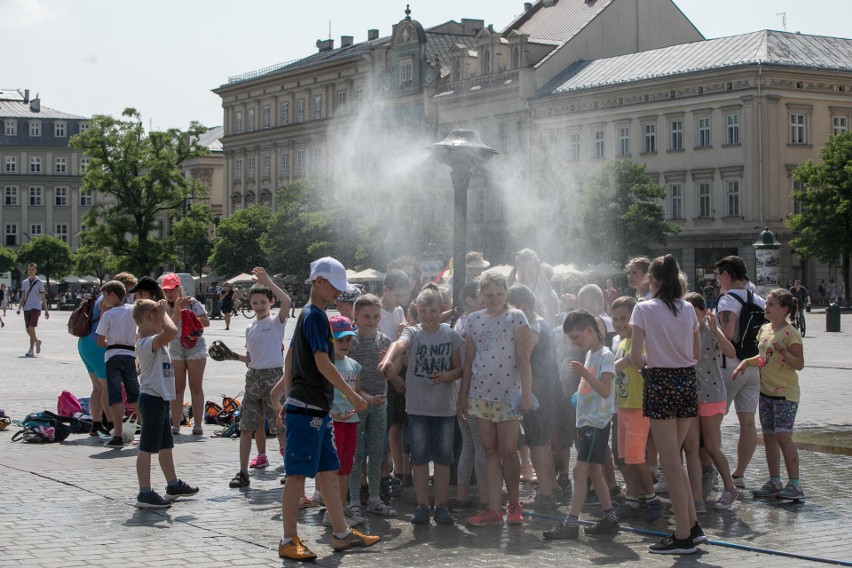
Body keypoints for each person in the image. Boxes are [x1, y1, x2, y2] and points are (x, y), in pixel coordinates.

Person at [271, 257, 378, 561]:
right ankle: (288, 539)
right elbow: (321, 361)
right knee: (296, 476)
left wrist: (284, 397)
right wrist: (352, 394)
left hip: (315, 409)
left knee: (329, 472)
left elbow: (291, 357)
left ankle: (342, 533)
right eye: (334, 286)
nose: (339, 293)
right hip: (308, 410)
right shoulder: (315, 316)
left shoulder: (308, 314)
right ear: (318, 281)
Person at [630, 255, 704, 555]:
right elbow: (696, 353)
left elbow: (636, 356)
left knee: (670, 462)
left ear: (653, 279)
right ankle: (693, 525)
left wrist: (648, 365)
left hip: (660, 381)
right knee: (676, 461)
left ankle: (683, 534)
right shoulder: (688, 308)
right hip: (687, 382)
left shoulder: (643, 308)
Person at [380, 284, 463, 525]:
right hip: (417, 408)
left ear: (442, 310)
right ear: (417, 310)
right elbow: (399, 345)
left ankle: (442, 505)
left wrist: (447, 376)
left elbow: (459, 368)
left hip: (444, 409)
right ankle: (422, 505)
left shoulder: (451, 335)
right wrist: (388, 359)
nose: (428, 316)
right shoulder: (413, 332)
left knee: (443, 459)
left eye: (433, 311)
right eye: (424, 311)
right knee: (418, 459)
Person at [459, 271, 533, 527]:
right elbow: (468, 361)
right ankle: (493, 507)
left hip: (508, 395)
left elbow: (524, 358)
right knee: (489, 451)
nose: (494, 299)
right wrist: (463, 397)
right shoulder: (473, 320)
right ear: (480, 295)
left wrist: (526, 393)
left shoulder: (516, 317)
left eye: (499, 294)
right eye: (489, 294)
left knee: (509, 451)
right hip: (480, 394)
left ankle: (514, 504)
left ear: (506, 293)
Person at [543, 310, 619, 540]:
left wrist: (585, 374)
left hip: (596, 423)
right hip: (586, 421)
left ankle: (571, 522)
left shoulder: (605, 355)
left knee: (579, 471)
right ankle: (610, 518)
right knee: (595, 471)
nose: (575, 343)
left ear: (589, 330)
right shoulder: (590, 353)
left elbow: (605, 390)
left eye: (577, 338)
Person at [734, 288, 806, 500]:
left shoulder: (790, 333)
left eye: (771, 304)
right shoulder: (764, 329)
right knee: (769, 437)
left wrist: (784, 352)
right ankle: (775, 480)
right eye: (766, 303)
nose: (766, 307)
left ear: (784, 309)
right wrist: (746, 363)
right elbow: (763, 358)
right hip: (766, 392)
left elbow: (799, 364)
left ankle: (795, 485)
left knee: (783, 436)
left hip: (786, 393)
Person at [132, 298, 199, 509]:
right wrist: (164, 314)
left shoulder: (154, 340)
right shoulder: (145, 343)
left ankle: (173, 485)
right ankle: (144, 493)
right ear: (149, 317)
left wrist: (172, 311)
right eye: (159, 316)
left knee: (165, 445)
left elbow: (170, 328)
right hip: (151, 398)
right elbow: (171, 331)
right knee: (146, 447)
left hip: (160, 398)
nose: (163, 320)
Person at [228, 267, 291, 488]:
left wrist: (268, 281)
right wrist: (232, 356)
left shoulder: (276, 322)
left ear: (270, 302)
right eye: (255, 303)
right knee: (246, 427)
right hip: (253, 379)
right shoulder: (250, 327)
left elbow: (288, 302)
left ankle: (291, 471)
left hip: (274, 379)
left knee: (280, 425)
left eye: (263, 302)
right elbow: (251, 358)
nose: (259, 306)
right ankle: (243, 472)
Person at [682, 292, 739, 510]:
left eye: (694, 314)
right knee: (691, 448)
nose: (689, 318)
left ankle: (730, 488)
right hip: (689, 396)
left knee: (713, 447)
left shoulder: (709, 332)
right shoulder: (682, 332)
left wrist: (716, 331)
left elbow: (731, 351)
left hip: (712, 395)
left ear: (704, 313)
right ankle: (697, 499)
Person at [507, 284, 560, 512]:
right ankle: (552, 487)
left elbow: (524, 356)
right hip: (543, 390)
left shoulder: (533, 326)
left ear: (523, 307)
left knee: (538, 442)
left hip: (536, 391)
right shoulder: (540, 322)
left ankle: (546, 494)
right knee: (540, 442)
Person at [609, 296, 662, 523]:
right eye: (615, 319)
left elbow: (627, 363)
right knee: (626, 458)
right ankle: (632, 498)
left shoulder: (641, 340)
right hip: (623, 406)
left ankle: (651, 499)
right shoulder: (620, 343)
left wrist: (599, 373)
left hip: (639, 405)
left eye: (624, 318)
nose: (619, 323)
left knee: (635, 457)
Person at [715, 255, 765, 488]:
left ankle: (711, 471)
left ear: (726, 275)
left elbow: (727, 334)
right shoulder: (759, 300)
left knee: (713, 420)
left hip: (730, 366)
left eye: (718, 276)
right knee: (747, 421)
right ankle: (739, 474)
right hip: (754, 365)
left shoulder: (727, 301)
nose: (717, 281)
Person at [347, 293, 397, 519]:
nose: (371, 320)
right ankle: (355, 499)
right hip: (356, 403)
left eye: (376, 316)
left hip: (379, 403)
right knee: (356, 454)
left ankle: (375, 498)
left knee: (377, 452)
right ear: (355, 315)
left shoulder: (385, 341)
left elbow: (391, 373)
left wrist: (389, 367)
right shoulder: (350, 342)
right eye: (366, 316)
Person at [320, 315, 366, 527]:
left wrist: (370, 399)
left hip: (351, 422)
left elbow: (357, 393)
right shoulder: (325, 365)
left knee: (347, 466)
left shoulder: (354, 365)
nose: (345, 344)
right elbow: (322, 395)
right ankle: (332, 510)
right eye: (340, 340)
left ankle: (341, 507)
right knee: (333, 467)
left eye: (348, 339)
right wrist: (332, 414)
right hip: (333, 422)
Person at [452, 280, 488, 511]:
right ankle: (485, 499)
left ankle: (463, 496)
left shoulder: (459, 323)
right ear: (469, 300)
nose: (485, 302)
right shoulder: (470, 324)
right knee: (481, 446)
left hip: (461, 390)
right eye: (481, 298)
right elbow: (469, 362)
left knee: (469, 445)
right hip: (473, 390)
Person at [161, 273, 210, 436]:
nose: (169, 294)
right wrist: (177, 310)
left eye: (171, 290)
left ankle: (197, 424)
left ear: (178, 288)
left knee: (195, 387)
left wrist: (190, 316)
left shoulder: (192, 302)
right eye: (166, 291)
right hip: (175, 347)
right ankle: (175, 424)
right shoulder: (164, 307)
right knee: (177, 388)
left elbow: (206, 322)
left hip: (195, 347)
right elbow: (167, 327)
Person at [379, 269, 413, 490]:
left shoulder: (399, 311)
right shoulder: (377, 313)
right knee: (386, 425)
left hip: (398, 372)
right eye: (397, 295)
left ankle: (397, 470)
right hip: (383, 376)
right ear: (386, 291)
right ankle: (383, 473)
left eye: (404, 295)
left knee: (398, 423)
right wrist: (393, 379)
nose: (401, 300)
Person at [97, 280, 141, 447]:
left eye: (105, 296)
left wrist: (110, 339)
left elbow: (101, 341)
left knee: (115, 397)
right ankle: (146, 432)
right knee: (134, 395)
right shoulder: (133, 310)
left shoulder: (108, 315)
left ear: (112, 295)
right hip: (130, 354)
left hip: (113, 355)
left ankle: (118, 436)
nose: (103, 300)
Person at [76, 277, 111, 436]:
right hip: (96, 344)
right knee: (106, 387)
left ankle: (96, 424)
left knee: (97, 387)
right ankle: (111, 424)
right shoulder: (107, 300)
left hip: (84, 343)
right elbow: (105, 321)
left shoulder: (99, 297)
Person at [509, 248, 559, 327]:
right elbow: (507, 290)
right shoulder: (514, 291)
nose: (526, 274)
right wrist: (516, 266)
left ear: (537, 269)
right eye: (523, 268)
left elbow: (552, 322)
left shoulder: (549, 294)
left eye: (530, 271)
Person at [17, 263, 49, 357]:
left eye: (32, 269)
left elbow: (43, 297)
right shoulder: (24, 282)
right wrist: (19, 307)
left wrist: (46, 310)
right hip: (26, 307)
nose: (30, 271)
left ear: (35, 270)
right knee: (28, 329)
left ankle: (31, 349)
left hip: (36, 307)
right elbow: (23, 296)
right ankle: (37, 341)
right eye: (29, 269)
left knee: (31, 328)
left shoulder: (39, 282)